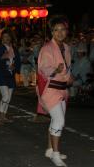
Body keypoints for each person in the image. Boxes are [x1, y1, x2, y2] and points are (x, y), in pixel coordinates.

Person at [37, 15, 72, 167]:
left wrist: (69, 77)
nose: (60, 33)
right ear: (52, 32)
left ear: (66, 31)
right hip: (50, 90)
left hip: (62, 90)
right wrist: (55, 70)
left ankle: (50, 150)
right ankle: (55, 155)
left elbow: (68, 68)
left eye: (62, 30)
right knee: (59, 121)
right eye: (56, 30)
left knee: (55, 120)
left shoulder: (67, 48)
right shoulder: (47, 48)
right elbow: (43, 69)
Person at [0, 29, 21, 125]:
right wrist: (1, 58)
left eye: (8, 37)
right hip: (1, 75)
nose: (7, 39)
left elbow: (17, 61)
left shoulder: (14, 49)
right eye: (4, 37)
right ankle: (0, 117)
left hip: (10, 75)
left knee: (9, 98)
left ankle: (4, 116)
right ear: (2, 39)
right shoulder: (0, 49)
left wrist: (15, 67)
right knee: (5, 96)